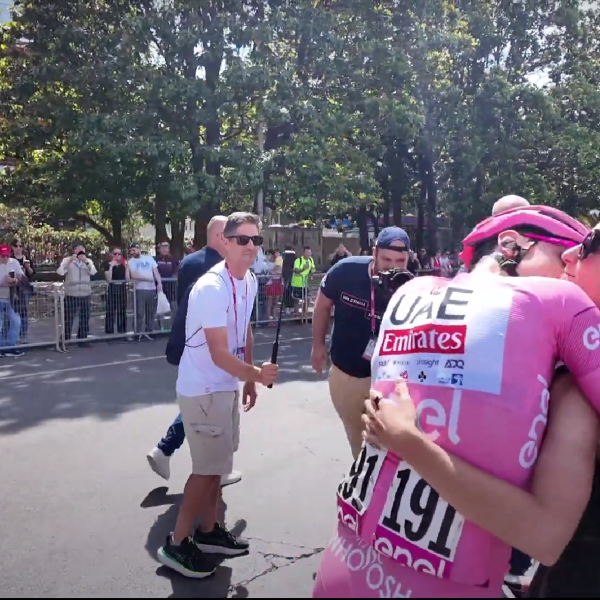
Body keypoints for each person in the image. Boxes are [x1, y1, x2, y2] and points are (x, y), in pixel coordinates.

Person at [313, 205, 600, 598]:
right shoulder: (561, 303)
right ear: (510, 244)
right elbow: (546, 538)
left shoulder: (410, 292)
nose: (571, 260)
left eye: (585, 248)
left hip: (345, 561)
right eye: (566, 247)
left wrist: (408, 442)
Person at [157, 212, 279, 578]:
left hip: (226, 385)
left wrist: (251, 379)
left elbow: (244, 332)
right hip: (204, 389)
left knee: (220, 468)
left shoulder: (250, 281)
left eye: (256, 241)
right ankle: (176, 545)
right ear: (224, 242)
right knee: (206, 471)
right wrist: (255, 373)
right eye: (242, 240)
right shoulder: (211, 287)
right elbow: (218, 353)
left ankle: (209, 532)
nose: (251, 248)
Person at [146, 216, 243, 487]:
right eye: (235, 236)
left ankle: (165, 449)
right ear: (221, 237)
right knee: (214, 407)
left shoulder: (190, 261)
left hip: (190, 342)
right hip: (211, 344)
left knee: (200, 404)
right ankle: (214, 470)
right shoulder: (219, 268)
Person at [311, 226, 410, 460]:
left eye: (400, 260)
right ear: (374, 252)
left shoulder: (412, 285)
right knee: (358, 440)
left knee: (388, 446)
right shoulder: (346, 270)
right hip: (347, 373)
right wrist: (318, 345)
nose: (392, 266)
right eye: (386, 259)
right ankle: (364, 485)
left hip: (388, 380)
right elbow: (322, 305)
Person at [0, 243, 24, 356]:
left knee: (16, 322)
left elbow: (22, 277)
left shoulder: (14, 262)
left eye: (6, 255)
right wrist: (3, 282)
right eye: (2, 256)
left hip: (11, 298)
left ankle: (11, 346)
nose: (5, 258)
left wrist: (15, 281)